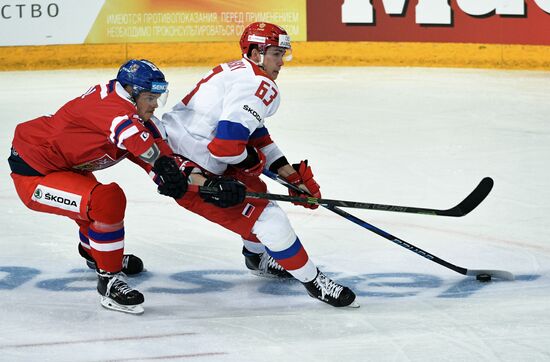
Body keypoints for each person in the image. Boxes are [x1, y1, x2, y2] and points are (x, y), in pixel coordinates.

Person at [7, 59, 240, 314]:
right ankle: (109, 280)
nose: (154, 105)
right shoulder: (111, 108)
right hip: (35, 171)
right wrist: (163, 168)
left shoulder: (136, 116)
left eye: (157, 98)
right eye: (150, 97)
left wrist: (208, 185)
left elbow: (165, 161)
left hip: (69, 167)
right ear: (131, 91)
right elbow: (133, 138)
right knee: (106, 200)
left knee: (96, 209)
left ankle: (96, 254)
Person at [161, 22, 358, 308]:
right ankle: (314, 282)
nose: (281, 62)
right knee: (270, 220)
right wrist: (252, 162)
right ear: (255, 52)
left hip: (187, 152)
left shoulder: (237, 71)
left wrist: (289, 175)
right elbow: (227, 148)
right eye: (276, 53)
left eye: (283, 54)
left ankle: (256, 258)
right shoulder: (259, 84)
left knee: (254, 187)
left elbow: (255, 134)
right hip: (191, 174)